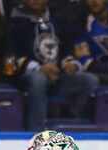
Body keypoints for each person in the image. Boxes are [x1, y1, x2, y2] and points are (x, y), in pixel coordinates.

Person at [8, 0, 100, 130]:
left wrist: (69, 64)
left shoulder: (57, 20)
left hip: (56, 76)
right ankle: (36, 131)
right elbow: (8, 58)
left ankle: (72, 125)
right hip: (25, 78)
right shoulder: (14, 21)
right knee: (38, 79)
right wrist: (39, 68)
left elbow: (65, 50)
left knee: (89, 80)